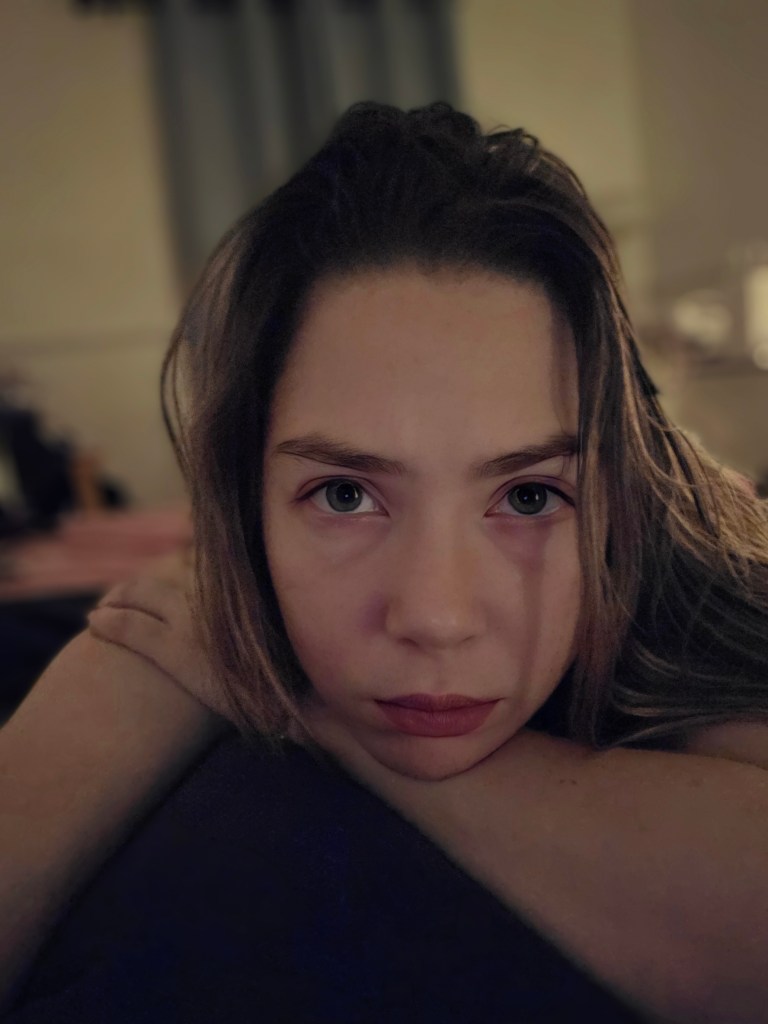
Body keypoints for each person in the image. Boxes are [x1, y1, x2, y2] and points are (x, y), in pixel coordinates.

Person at [2, 101, 768, 1023]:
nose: (435, 617)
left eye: (530, 496)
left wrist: (303, 700)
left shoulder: (702, 589)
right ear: (244, 502)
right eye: (344, 495)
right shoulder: (167, 629)